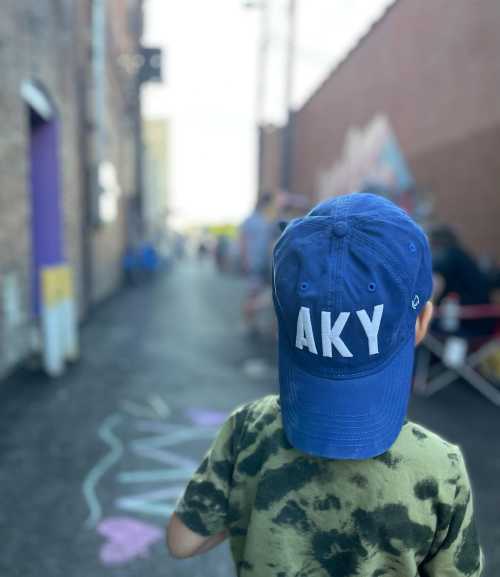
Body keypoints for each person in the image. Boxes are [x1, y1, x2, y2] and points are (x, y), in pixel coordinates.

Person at [167, 193, 484, 577]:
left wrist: (249, 500)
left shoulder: (248, 430)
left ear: (284, 319)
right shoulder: (440, 467)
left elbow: (182, 541)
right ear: (422, 321)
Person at [239, 193, 274, 333]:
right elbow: (243, 241)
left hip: (263, 263)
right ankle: (249, 324)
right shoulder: (252, 220)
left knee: (258, 295)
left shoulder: (266, 220)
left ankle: (252, 324)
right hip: (255, 264)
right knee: (254, 295)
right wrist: (245, 260)